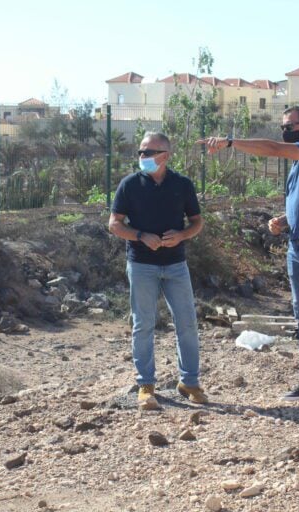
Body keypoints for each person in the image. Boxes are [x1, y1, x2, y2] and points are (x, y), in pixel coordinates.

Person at [198, 106, 299, 410]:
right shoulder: (298, 168)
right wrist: (284, 220)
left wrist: (230, 142)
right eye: (283, 126)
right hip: (298, 245)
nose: (285, 130)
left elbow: (274, 148)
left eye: (289, 125)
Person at [109, 132, 206, 411]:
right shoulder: (129, 185)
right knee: (143, 325)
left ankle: (189, 382)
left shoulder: (182, 185)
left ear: (165, 155)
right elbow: (114, 224)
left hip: (176, 264)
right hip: (141, 264)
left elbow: (197, 222)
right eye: (140, 152)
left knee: (187, 323)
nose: (143, 157)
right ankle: (146, 385)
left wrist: (182, 235)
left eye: (148, 152)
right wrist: (140, 235)